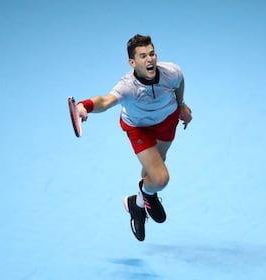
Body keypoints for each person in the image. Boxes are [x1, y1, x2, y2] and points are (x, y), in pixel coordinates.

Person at [77, 34, 192, 241]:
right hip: (140, 128)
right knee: (160, 178)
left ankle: (137, 203)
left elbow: (179, 82)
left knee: (153, 167)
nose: (150, 59)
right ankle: (147, 194)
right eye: (143, 56)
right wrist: (85, 106)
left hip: (167, 120)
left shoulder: (171, 72)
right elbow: (105, 100)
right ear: (132, 62)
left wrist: (181, 104)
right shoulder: (127, 86)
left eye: (152, 53)